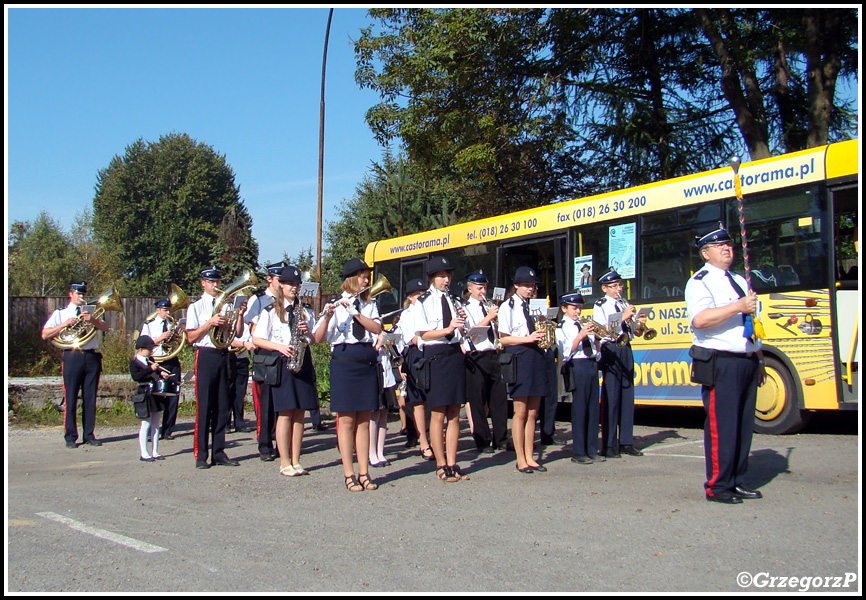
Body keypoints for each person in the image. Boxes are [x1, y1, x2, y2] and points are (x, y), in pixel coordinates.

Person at [685, 224, 766, 505]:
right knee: (723, 426)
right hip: (721, 361)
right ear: (705, 253)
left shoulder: (740, 280)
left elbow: (753, 323)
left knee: (743, 425)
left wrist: (759, 356)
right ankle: (718, 486)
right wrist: (737, 307)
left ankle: (737, 480)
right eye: (719, 246)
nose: (727, 249)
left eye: (729, 245)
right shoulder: (701, 281)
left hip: (745, 359)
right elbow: (700, 320)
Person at [313, 258, 382, 492]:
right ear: (352, 278)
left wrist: (356, 314)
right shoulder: (334, 303)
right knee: (346, 420)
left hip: (365, 360)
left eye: (367, 276)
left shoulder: (368, 303)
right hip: (344, 361)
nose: (366, 280)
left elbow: (376, 328)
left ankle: (364, 472)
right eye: (363, 276)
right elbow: (319, 338)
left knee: (364, 419)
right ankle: (348, 473)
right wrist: (327, 317)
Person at [252, 266, 318, 478]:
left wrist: (308, 332)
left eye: (297, 285)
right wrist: (279, 347)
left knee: (300, 412)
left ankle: (297, 460)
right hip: (282, 362)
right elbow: (257, 339)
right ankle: (284, 461)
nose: (294, 288)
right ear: (281, 285)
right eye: (290, 284)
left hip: (302, 361)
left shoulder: (305, 311)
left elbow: (314, 338)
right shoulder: (271, 311)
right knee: (285, 412)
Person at [414, 256, 471, 483]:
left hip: (454, 354)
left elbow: (459, 332)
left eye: (448, 276)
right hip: (436, 355)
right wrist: (447, 328)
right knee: (438, 413)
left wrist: (462, 324)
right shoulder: (423, 301)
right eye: (441, 276)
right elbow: (423, 334)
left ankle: (452, 462)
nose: (446, 280)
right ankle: (440, 464)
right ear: (432, 278)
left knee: (455, 412)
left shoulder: (455, 299)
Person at [185, 265, 245, 469]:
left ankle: (218, 452)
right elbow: (190, 338)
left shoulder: (226, 305)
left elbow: (236, 334)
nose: (216, 285)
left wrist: (238, 315)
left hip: (223, 354)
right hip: (206, 355)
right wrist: (210, 323)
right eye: (211, 282)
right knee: (205, 407)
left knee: (222, 406)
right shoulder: (195, 307)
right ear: (203, 283)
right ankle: (201, 455)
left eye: (218, 281)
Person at [42, 281, 110, 448]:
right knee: (71, 397)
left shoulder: (90, 311)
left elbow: (105, 328)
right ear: (70, 294)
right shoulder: (61, 313)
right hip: (72, 356)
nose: (82, 297)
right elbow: (45, 334)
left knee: (90, 398)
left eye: (83, 294)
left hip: (91, 356)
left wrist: (92, 319)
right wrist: (65, 324)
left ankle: (89, 435)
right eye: (78, 294)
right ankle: (70, 436)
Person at [498, 267, 550, 474]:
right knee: (520, 412)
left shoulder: (535, 306)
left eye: (532, 285)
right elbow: (503, 338)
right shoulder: (507, 306)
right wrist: (527, 338)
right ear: (517, 286)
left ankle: (530, 455)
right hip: (519, 355)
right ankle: (520, 458)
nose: (530, 289)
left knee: (533, 412)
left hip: (536, 356)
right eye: (526, 285)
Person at [592, 268, 646, 458]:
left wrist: (638, 324)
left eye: (620, 285)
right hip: (610, 349)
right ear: (604, 289)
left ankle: (626, 441)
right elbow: (602, 330)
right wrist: (623, 316)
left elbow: (634, 332)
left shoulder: (624, 303)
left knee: (627, 395)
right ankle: (608, 444)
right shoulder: (601, 305)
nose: (618, 289)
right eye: (614, 286)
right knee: (611, 397)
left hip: (625, 348)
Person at [461, 269, 508, 454]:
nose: (483, 292)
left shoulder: (488, 306)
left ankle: (501, 438)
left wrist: (496, 320)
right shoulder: (464, 308)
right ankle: (482, 440)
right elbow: (470, 334)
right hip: (476, 356)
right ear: (470, 288)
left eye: (485, 288)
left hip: (493, 353)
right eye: (480, 288)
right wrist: (489, 318)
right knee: (477, 401)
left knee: (499, 399)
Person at [555, 291, 604, 465]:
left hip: (591, 364)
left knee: (593, 408)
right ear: (564, 308)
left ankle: (592, 448)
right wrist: (581, 335)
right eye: (574, 308)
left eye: (580, 308)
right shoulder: (562, 327)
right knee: (580, 409)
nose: (578, 312)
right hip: (577, 366)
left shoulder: (584, 324)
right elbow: (566, 352)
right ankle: (579, 451)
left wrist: (597, 339)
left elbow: (595, 350)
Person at [244, 261, 286, 461]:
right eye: (279, 279)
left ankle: (281, 443)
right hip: (265, 353)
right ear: (270, 279)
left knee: (281, 403)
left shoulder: (286, 300)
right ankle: (264, 445)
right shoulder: (258, 300)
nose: (281, 283)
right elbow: (250, 328)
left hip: (281, 354)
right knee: (265, 403)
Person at [137, 298, 182, 441]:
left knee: (173, 394)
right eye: (165, 310)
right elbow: (143, 343)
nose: (168, 313)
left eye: (169, 310)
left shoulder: (172, 324)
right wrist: (159, 339)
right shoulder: (149, 325)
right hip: (156, 360)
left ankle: (168, 429)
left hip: (172, 359)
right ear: (158, 310)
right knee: (155, 395)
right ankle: (152, 430)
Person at [129, 335, 172, 461]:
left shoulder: (150, 360)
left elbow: (156, 373)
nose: (151, 351)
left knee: (155, 423)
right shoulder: (135, 363)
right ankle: (144, 452)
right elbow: (137, 377)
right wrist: (150, 369)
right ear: (141, 349)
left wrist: (162, 374)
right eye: (149, 349)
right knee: (146, 423)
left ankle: (155, 451)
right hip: (144, 393)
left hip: (155, 393)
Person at [397, 279, 427, 452]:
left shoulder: (429, 311)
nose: (421, 298)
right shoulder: (407, 315)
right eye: (418, 295)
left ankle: (434, 437)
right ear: (410, 297)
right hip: (415, 354)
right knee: (418, 399)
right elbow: (413, 339)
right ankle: (422, 440)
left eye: (423, 294)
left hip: (431, 352)